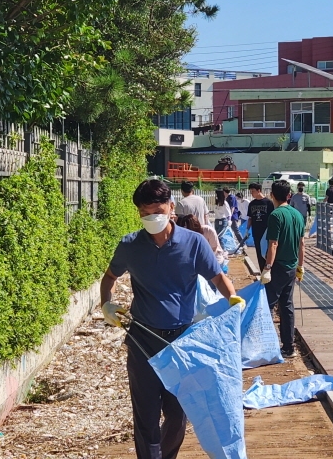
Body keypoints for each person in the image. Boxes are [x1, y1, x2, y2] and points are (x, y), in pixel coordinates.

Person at [99, 179, 245, 459]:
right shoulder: (130, 245)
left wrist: (233, 299)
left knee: (178, 415)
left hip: (182, 341)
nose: (152, 217)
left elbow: (218, 277)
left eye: (157, 209)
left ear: (170, 207)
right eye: (145, 212)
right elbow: (109, 277)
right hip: (142, 340)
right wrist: (106, 303)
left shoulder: (193, 244)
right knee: (145, 416)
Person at [260, 179, 306, 358]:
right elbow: (302, 244)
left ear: (272, 195)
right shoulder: (297, 215)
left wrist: (267, 268)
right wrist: (300, 266)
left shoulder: (275, 215)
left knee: (267, 306)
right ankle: (289, 346)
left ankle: (267, 346)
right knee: (287, 306)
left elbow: (273, 244)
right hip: (292, 266)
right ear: (289, 195)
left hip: (277, 266)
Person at [247, 182, 274, 270]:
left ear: (259, 190)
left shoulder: (269, 203)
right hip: (256, 232)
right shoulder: (251, 204)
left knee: (266, 252)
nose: (252, 193)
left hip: (266, 232)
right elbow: (250, 218)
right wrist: (247, 230)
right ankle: (262, 270)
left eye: (253, 191)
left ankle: (268, 269)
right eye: (250, 191)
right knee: (258, 252)